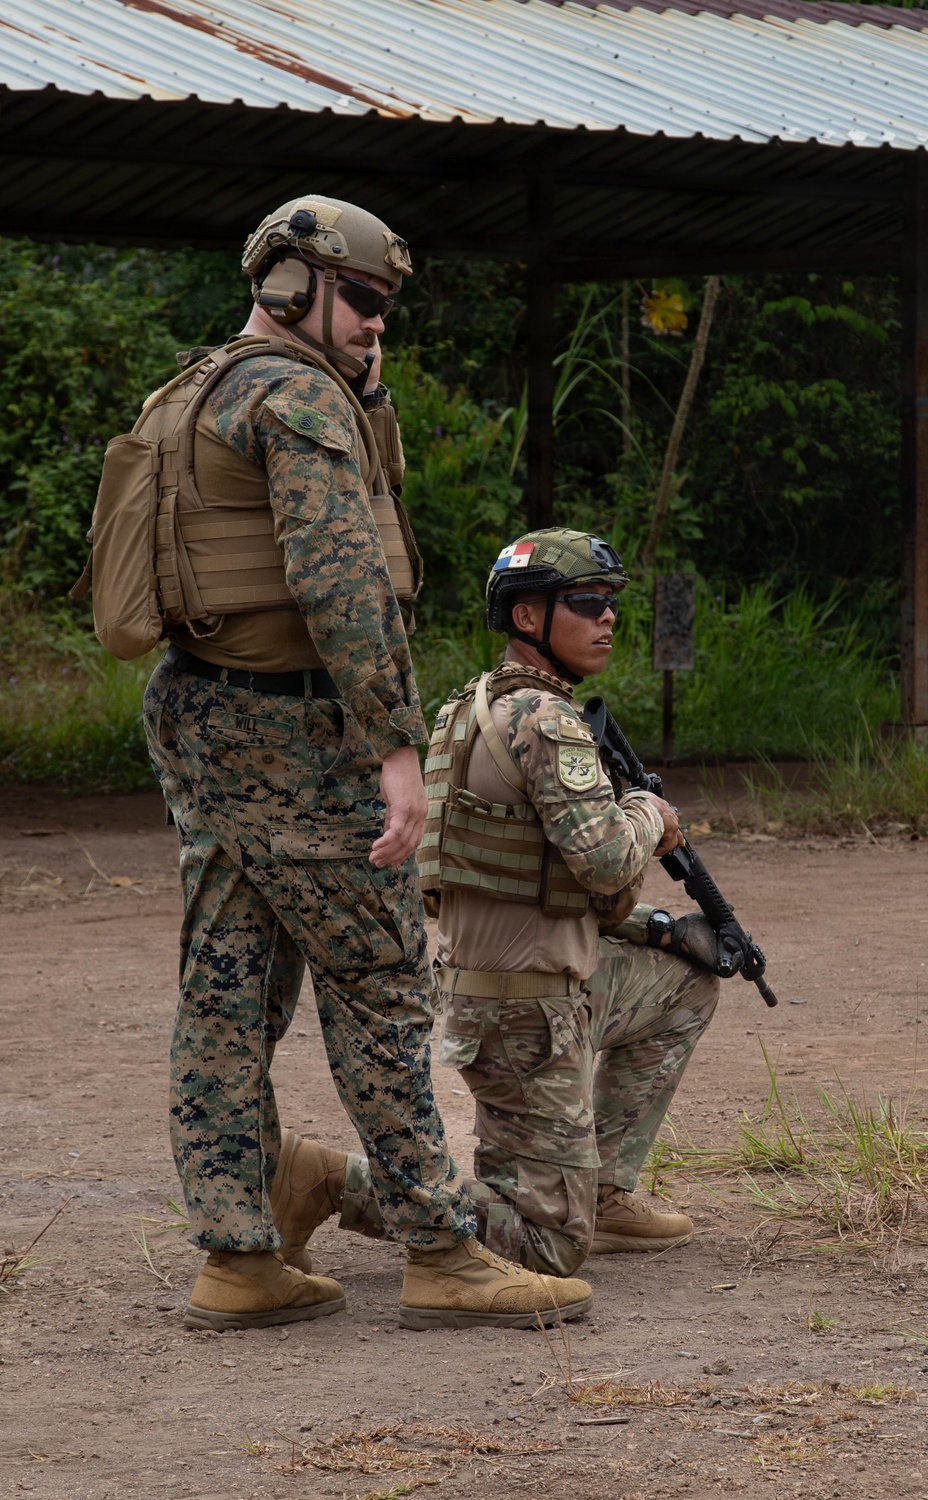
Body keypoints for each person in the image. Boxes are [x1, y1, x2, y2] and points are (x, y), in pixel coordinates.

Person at [140, 197, 591, 1331]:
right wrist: (396, 748)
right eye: (362, 300)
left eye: (386, 307)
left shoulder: (203, 387)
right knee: (381, 982)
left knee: (227, 987)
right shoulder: (293, 399)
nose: (377, 324)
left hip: (206, 715)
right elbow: (340, 583)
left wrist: (369, 384)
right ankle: (443, 1251)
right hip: (294, 731)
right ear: (291, 286)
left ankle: (237, 1256)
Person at [416, 528, 724, 1276]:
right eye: (587, 603)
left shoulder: (467, 708)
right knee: (550, 1245)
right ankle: (336, 1182)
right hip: (528, 1013)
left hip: (496, 988)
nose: (607, 619)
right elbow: (612, 863)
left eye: (611, 603)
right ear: (528, 618)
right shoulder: (548, 721)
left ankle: (607, 1190)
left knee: (687, 979)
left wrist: (655, 927)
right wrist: (653, 813)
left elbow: (574, 887)